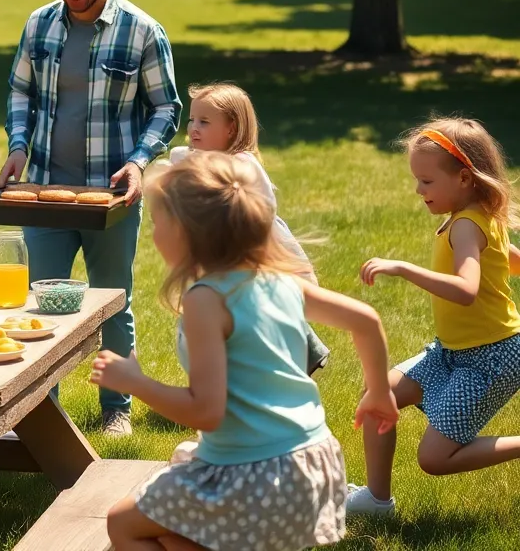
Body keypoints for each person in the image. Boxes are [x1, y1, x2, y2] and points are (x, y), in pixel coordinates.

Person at [92, 151, 397, 551]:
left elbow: (206, 410)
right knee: (169, 534)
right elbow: (367, 321)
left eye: (156, 224)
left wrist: (136, 382)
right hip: (312, 466)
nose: (152, 235)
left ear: (187, 233)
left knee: (122, 523)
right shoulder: (279, 280)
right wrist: (379, 392)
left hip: (254, 478)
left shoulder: (206, 300)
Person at [0, 0, 181, 436]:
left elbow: (167, 107)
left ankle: (115, 409)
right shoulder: (40, 25)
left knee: (110, 302)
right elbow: (19, 92)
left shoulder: (142, 30)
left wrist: (140, 161)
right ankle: (39, 416)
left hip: (112, 197)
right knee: (40, 306)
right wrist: (18, 148)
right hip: (47, 193)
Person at [348, 117, 520, 516]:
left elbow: (466, 289)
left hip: (489, 361)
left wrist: (403, 268)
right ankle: (376, 501)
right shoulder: (479, 216)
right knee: (378, 397)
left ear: (463, 178)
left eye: (426, 181)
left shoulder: (466, 225)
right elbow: (505, 260)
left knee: (434, 459)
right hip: (452, 351)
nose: (418, 189)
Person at [170, 82, 332, 375]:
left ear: (231, 128)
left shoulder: (242, 163)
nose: (193, 128)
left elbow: (258, 210)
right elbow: (178, 158)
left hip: (256, 256)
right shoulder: (204, 160)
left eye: (204, 122)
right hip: (222, 258)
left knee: (263, 313)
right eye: (192, 119)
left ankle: (297, 360)